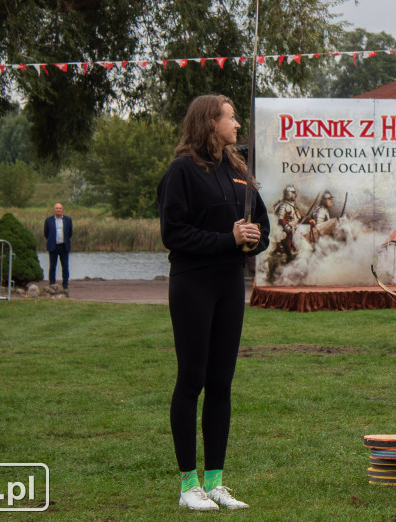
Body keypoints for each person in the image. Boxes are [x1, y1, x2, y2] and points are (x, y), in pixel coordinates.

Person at [157, 94, 270, 511]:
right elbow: (174, 233)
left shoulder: (237, 171)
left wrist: (255, 237)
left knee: (221, 383)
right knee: (193, 380)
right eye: (231, 117)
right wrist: (228, 239)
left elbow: (261, 223)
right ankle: (188, 486)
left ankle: (215, 483)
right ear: (210, 122)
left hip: (229, 284)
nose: (237, 124)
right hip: (192, 284)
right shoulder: (181, 171)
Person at [43, 203, 72, 289]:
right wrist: (51, 240)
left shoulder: (68, 220)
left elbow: (70, 233)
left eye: (60, 208)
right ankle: (52, 284)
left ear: (62, 209)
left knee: (65, 266)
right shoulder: (49, 220)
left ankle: (65, 285)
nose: (58, 210)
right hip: (53, 246)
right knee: (52, 266)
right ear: (54, 210)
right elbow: (46, 233)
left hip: (64, 246)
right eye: (57, 208)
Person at [272, 185, 301, 258]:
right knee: (291, 233)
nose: (295, 195)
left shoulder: (293, 205)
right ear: (289, 194)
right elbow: (280, 219)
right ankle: (290, 252)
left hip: (294, 226)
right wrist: (288, 227)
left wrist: (309, 220)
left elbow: (298, 217)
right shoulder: (283, 206)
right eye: (293, 193)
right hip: (284, 228)